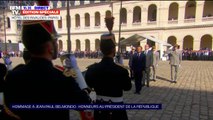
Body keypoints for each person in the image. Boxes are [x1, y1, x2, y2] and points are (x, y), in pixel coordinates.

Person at [3, 5, 91, 120]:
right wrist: (77, 73)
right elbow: (85, 103)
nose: (57, 44)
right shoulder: (62, 78)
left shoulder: (13, 77)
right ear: (50, 47)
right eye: (55, 41)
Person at [85, 33, 132, 120]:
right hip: (117, 112)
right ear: (113, 49)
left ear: (101, 49)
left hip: (100, 112)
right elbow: (128, 87)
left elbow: (89, 85)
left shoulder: (92, 69)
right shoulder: (121, 70)